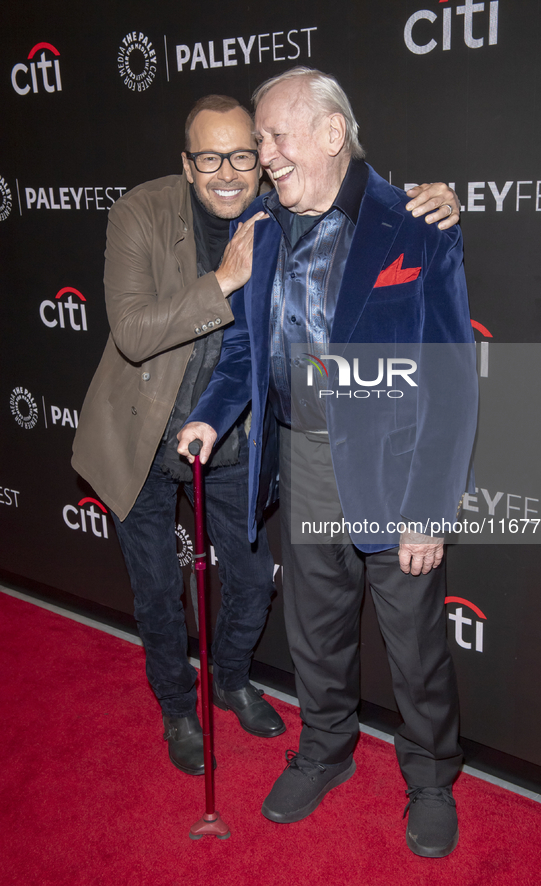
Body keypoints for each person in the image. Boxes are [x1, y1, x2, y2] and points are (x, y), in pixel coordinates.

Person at [72, 92, 461, 780]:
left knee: (346, 617)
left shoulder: (355, 218)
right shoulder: (202, 218)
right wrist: (212, 387)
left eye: (256, 147)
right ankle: (247, 728)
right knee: (238, 611)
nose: (243, 165)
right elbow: (186, 343)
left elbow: (447, 378)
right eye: (217, 155)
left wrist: (429, 509)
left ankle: (415, 770)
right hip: (212, 439)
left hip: (329, 458)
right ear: (186, 165)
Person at [177, 69, 478, 859]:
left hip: (394, 469)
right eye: (259, 139)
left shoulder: (415, 223)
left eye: (274, 137)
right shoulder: (263, 226)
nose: (261, 155)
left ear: (330, 134)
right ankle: (324, 753)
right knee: (315, 634)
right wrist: (211, 418)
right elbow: (243, 348)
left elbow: (449, 382)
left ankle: (430, 778)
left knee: (413, 645)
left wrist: (427, 509)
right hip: (302, 459)